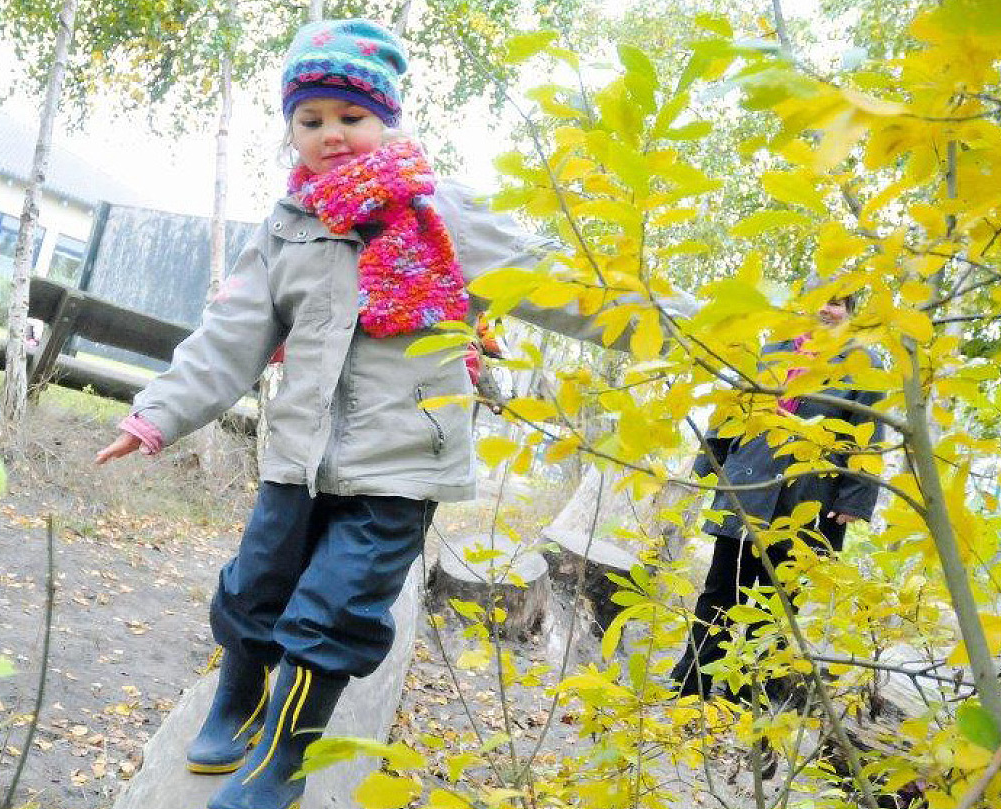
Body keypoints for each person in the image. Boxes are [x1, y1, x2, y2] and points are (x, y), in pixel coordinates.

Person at [95, 18, 694, 809]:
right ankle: (236, 697)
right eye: (310, 120)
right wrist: (157, 413)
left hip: (401, 464)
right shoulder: (288, 226)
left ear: (387, 120)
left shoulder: (440, 212)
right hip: (298, 460)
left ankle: (281, 756)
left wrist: (701, 324)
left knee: (334, 612)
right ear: (291, 130)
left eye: (350, 116)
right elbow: (229, 334)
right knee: (254, 587)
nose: (331, 134)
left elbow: (557, 283)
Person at [670, 289, 885, 702]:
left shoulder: (864, 364)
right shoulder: (774, 345)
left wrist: (854, 499)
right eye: (821, 299)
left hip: (809, 497)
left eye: (837, 303)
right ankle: (692, 679)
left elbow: (869, 434)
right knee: (721, 589)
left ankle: (749, 691)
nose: (826, 309)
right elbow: (735, 406)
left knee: (778, 599)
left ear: (850, 312)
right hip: (748, 483)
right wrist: (710, 461)